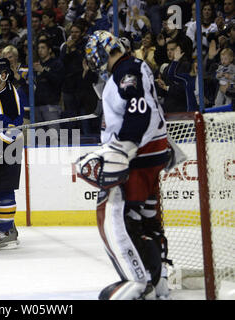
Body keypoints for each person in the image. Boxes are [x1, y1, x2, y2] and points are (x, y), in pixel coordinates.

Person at [75, 30, 172, 300]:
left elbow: (140, 113)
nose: (90, 60)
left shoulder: (126, 70)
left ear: (103, 50)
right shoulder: (126, 69)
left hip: (138, 155)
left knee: (118, 217)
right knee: (146, 219)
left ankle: (137, 282)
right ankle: (158, 280)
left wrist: (123, 148)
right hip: (149, 152)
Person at [0, 57, 25, 248]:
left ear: (3, 75)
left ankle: (7, 231)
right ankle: (5, 226)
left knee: (3, 188)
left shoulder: (11, 96)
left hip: (9, 147)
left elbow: (14, 129)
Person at [33, 39, 65, 145]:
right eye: (38, 48)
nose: (40, 50)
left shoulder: (56, 64)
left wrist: (43, 71)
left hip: (51, 105)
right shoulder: (36, 66)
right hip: (37, 106)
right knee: (40, 139)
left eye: (43, 48)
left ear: (49, 50)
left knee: (54, 138)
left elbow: (58, 80)